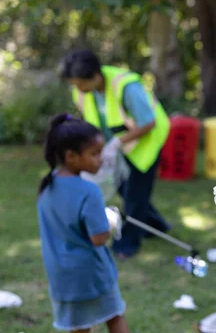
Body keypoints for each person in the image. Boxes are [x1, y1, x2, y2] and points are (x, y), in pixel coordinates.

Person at [61, 49, 171, 259]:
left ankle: (126, 246)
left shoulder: (126, 86)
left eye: (80, 83)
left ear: (95, 76)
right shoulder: (84, 91)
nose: (77, 88)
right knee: (122, 187)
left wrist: (116, 143)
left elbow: (148, 122)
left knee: (135, 194)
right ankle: (157, 225)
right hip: (120, 142)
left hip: (147, 139)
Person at [37, 114, 129, 333]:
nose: (101, 159)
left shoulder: (48, 185)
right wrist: (111, 221)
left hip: (61, 275)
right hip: (91, 275)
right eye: (95, 153)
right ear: (71, 156)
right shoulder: (89, 191)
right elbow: (98, 238)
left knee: (79, 326)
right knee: (115, 317)